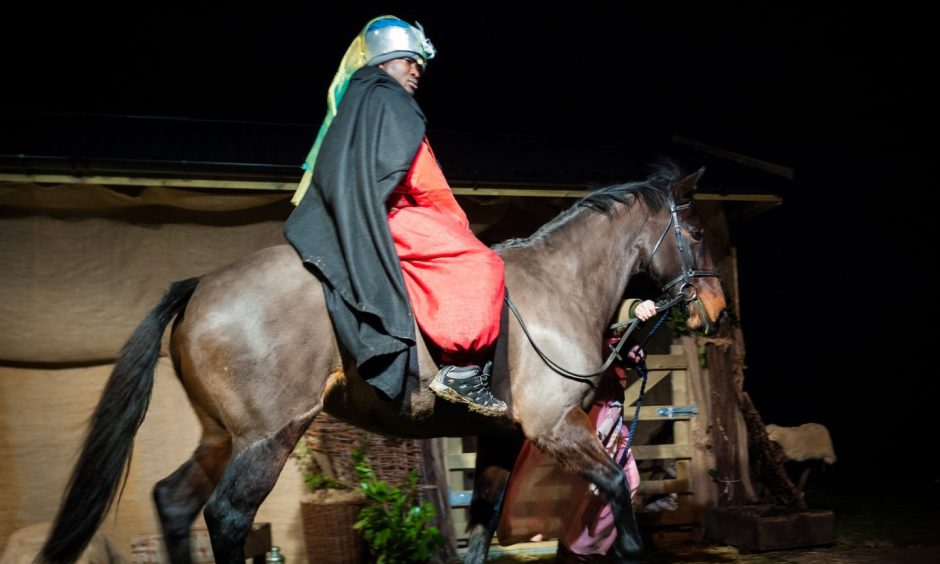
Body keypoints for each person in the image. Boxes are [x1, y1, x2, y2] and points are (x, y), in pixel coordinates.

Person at [284, 16, 507, 416]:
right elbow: (424, 180)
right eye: (409, 60)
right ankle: (460, 369)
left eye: (419, 63)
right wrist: (458, 224)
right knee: (480, 261)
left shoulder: (359, 98)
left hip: (356, 214)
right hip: (388, 214)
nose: (417, 70)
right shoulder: (392, 101)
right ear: (386, 61)